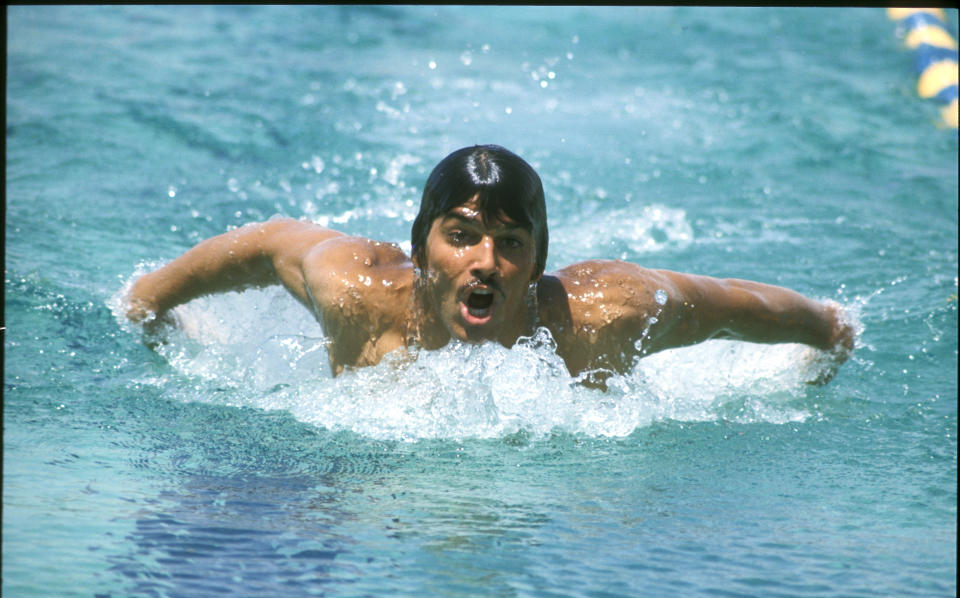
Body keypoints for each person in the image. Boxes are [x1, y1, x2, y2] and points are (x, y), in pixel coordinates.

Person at [126, 144, 855, 387]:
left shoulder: (600, 316)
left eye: (510, 243)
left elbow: (721, 302)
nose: (486, 262)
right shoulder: (357, 291)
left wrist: (825, 326)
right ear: (420, 248)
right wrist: (149, 298)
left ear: (539, 260)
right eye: (463, 235)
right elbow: (265, 242)